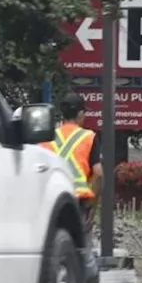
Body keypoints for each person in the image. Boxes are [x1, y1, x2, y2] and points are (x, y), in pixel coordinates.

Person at [40, 93, 103, 225]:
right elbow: (98, 173)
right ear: (80, 113)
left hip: (49, 200)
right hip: (77, 202)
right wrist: (92, 207)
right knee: (77, 243)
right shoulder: (88, 137)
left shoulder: (47, 136)